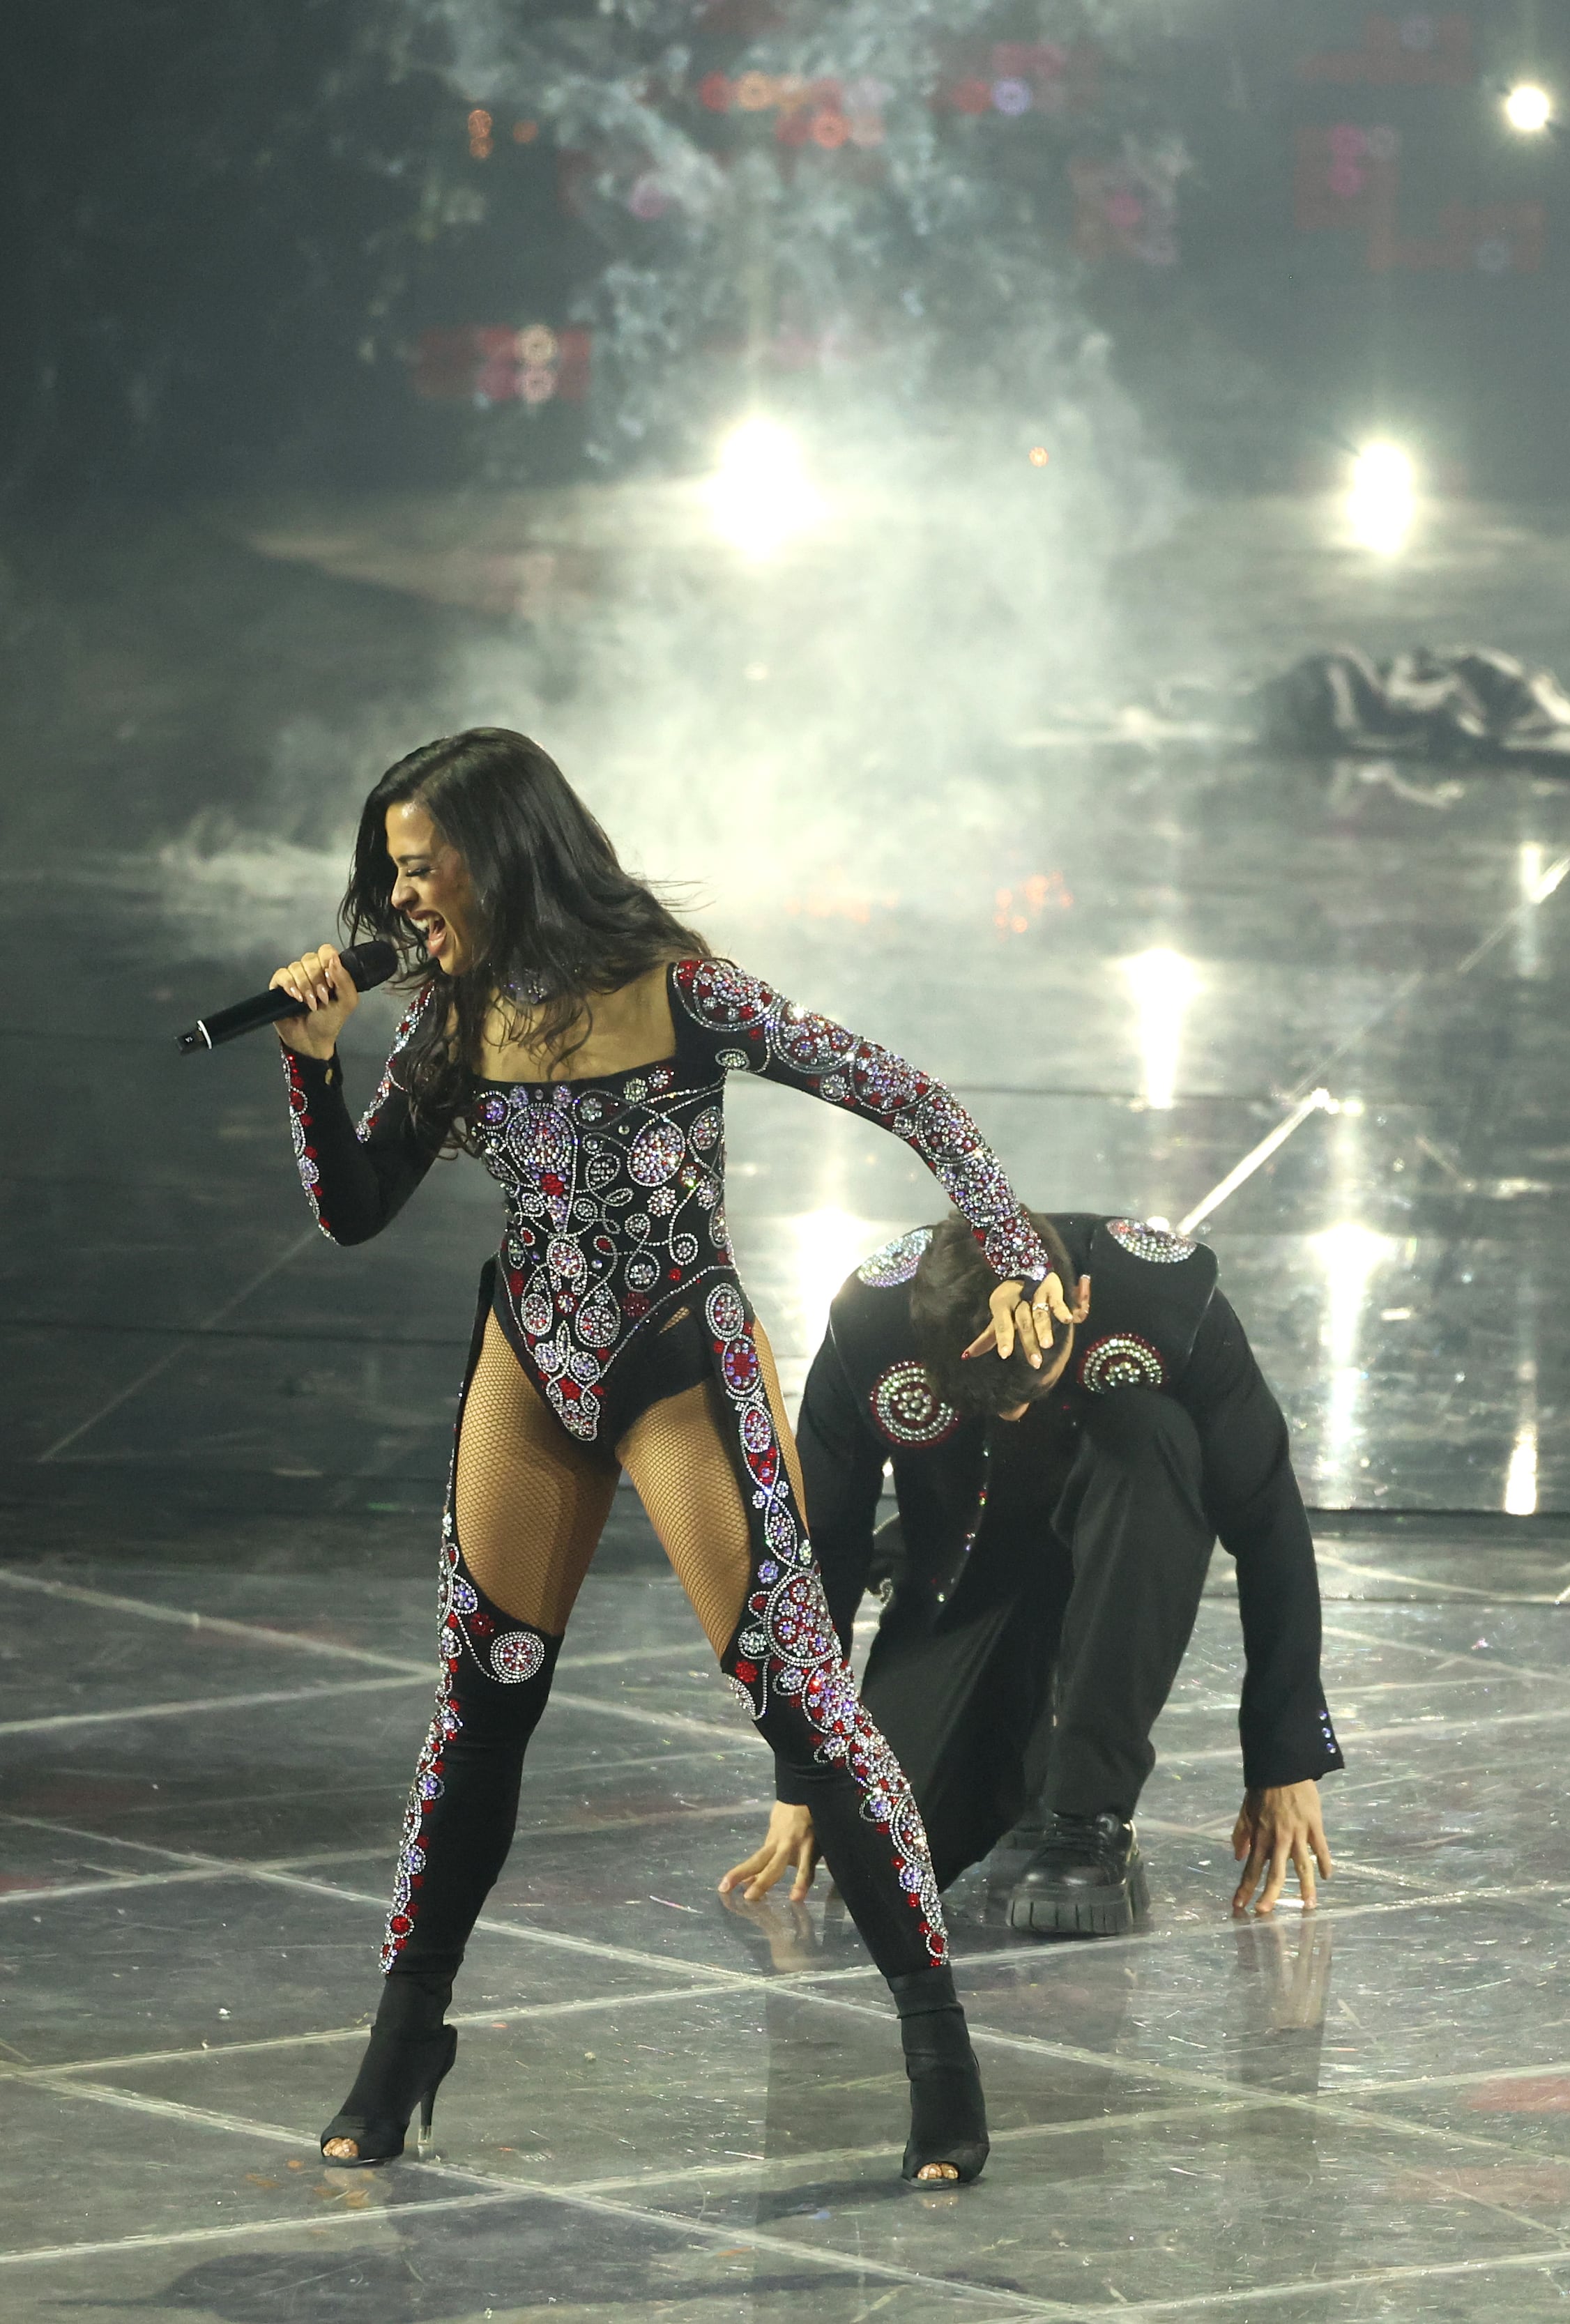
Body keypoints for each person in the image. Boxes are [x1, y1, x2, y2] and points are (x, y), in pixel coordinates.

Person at [265, 726, 1074, 2186]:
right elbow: (354, 1206)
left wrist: (1011, 1247)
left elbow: (917, 1099)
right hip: (529, 1362)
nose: (401, 903)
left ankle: (939, 2054)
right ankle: (403, 2041)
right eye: (387, 877)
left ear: (500, 850)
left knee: (805, 1710)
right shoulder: (445, 1011)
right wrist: (308, 1069)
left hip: (671, 1362)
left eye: (418, 868)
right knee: (479, 1709)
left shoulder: (680, 990)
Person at [721, 1209, 1342, 1938]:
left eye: (1030, 1382)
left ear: (1076, 1305)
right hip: (963, 1574)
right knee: (881, 1847)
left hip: (1125, 1546)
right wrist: (804, 1772)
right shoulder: (870, 1326)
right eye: (988, 1394)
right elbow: (820, 1549)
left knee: (1152, 1432)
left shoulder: (1167, 1307)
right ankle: (1028, 1769)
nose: (1014, 1408)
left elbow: (1268, 1522)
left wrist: (1281, 1758)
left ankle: (1088, 1811)